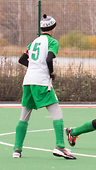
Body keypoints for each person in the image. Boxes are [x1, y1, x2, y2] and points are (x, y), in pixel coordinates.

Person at [13, 14, 75, 159]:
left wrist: (34, 66)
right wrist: (51, 71)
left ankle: (17, 149)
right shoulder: (52, 42)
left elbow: (22, 59)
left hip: (28, 82)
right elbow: (49, 58)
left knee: (24, 116)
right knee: (57, 113)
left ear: (41, 28)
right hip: (41, 82)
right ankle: (60, 146)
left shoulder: (34, 42)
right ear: (53, 28)